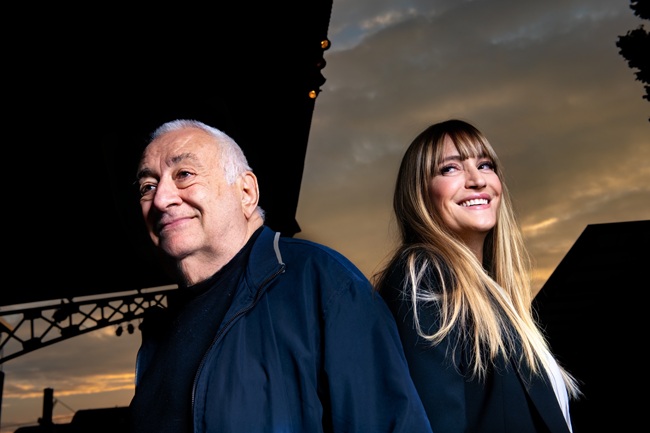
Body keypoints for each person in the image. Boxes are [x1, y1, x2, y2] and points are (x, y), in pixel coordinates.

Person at [128, 119, 433, 433]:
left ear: (246, 192)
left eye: (184, 175)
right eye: (148, 187)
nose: (161, 199)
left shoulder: (322, 283)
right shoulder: (158, 337)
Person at [373, 119, 581, 433]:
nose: (477, 180)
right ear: (419, 192)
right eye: (450, 169)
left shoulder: (495, 295)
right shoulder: (425, 274)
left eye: (485, 165)